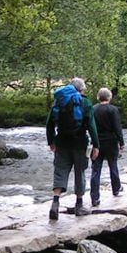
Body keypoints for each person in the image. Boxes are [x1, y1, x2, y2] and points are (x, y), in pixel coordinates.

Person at [46, 77, 99, 220]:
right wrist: (96, 145)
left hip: (61, 142)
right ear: (81, 89)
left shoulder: (58, 101)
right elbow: (91, 125)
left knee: (60, 172)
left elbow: (49, 124)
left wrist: (51, 141)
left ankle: (55, 204)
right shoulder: (85, 102)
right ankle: (79, 206)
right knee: (79, 172)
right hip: (80, 143)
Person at [89, 87, 124, 207]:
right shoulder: (113, 110)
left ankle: (94, 197)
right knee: (113, 165)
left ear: (98, 97)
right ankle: (116, 189)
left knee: (95, 169)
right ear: (109, 97)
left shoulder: (93, 109)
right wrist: (121, 142)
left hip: (97, 142)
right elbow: (117, 127)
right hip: (111, 142)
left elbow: (89, 126)